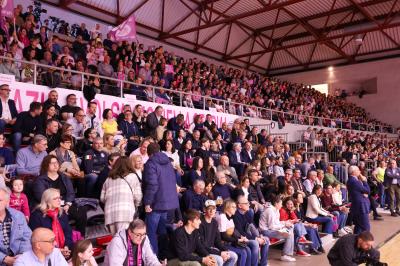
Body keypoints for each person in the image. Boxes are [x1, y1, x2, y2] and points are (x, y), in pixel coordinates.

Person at [143, 142, 179, 255]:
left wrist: (147, 202)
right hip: (167, 201)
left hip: (156, 202)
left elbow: (152, 184)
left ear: (149, 153)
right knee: (162, 230)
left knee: (151, 233)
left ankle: (153, 258)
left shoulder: (151, 163)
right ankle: (163, 257)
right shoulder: (168, 161)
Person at [101, 157, 143, 235]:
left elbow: (102, 198)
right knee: (124, 240)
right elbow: (138, 197)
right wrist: (136, 205)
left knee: (116, 240)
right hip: (125, 212)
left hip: (110, 214)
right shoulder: (132, 176)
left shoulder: (108, 179)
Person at [29, 188, 73, 255]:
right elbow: (37, 238)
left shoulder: (61, 213)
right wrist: (57, 250)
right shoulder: (37, 215)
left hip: (64, 249)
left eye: (59, 198)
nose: (59, 200)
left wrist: (66, 247)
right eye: (55, 198)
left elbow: (68, 232)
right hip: (45, 250)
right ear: (47, 200)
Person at [199, 200, 238, 266]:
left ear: (215, 209)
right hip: (203, 251)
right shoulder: (200, 223)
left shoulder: (214, 222)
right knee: (219, 259)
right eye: (209, 209)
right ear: (204, 209)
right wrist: (220, 253)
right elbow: (202, 245)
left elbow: (218, 242)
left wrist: (226, 251)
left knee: (233, 256)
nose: (211, 211)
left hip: (212, 249)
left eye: (213, 209)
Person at [234, 195, 269, 266]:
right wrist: (256, 238)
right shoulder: (235, 215)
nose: (249, 205)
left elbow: (252, 226)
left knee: (266, 239)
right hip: (239, 239)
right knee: (255, 243)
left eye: (248, 203)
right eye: (246, 203)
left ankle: (263, 264)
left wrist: (259, 236)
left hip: (247, 236)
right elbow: (241, 232)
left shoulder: (247, 213)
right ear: (240, 206)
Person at [259, 196, 296, 262]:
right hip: (265, 231)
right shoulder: (269, 210)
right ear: (276, 204)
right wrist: (284, 225)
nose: (282, 205)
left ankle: (286, 255)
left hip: (271, 230)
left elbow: (277, 223)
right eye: (280, 204)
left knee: (290, 229)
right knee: (289, 234)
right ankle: (285, 255)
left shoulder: (276, 210)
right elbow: (272, 227)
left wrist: (285, 223)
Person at [0, 187, 32, 265]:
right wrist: (4, 258)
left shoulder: (18, 215)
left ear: (7, 201)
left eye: (0, 200)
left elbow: (27, 237)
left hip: (19, 259)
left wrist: (21, 256)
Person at [347, 166, 371, 234]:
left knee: (358, 227)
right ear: (354, 172)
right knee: (366, 228)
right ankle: (366, 243)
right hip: (361, 208)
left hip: (358, 206)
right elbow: (367, 190)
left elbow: (365, 192)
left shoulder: (352, 180)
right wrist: (364, 181)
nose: (360, 172)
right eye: (358, 170)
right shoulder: (354, 181)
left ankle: (356, 243)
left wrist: (364, 193)